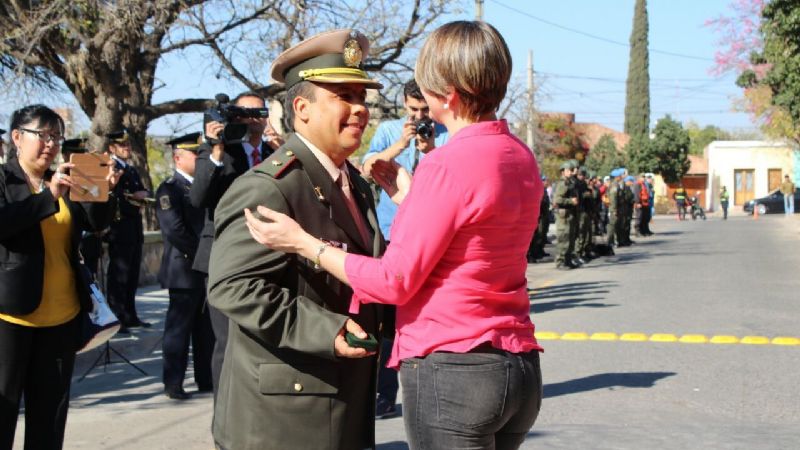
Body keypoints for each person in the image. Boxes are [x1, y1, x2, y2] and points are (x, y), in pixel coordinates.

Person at [245, 21, 544, 450]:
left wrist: (305, 244)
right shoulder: (518, 153)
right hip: (516, 364)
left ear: (449, 96)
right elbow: (476, 231)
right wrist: (412, 197)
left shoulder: (447, 164)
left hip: (455, 367)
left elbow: (394, 280)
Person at [207, 29, 388, 450]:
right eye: (344, 95)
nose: (360, 109)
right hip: (284, 418)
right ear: (302, 108)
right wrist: (327, 330)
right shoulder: (271, 187)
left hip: (341, 400)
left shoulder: (354, 184)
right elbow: (232, 287)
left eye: (362, 97)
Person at [0, 105, 117, 449]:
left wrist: (102, 193)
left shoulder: (66, 179)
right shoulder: (5, 180)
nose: (50, 144)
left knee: (50, 415)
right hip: (11, 315)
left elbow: (96, 226)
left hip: (62, 315)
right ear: (17, 137)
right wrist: (47, 196)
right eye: (43, 135)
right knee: (3, 411)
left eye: (56, 136)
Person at [360, 78, 448, 418]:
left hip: (430, 237)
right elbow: (368, 167)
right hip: (390, 233)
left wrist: (430, 151)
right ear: (404, 107)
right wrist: (399, 145)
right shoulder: (389, 130)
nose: (419, 116)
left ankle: (427, 390)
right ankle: (384, 392)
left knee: (426, 317)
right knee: (387, 321)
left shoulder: (445, 133)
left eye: (424, 109)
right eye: (413, 110)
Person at [190, 90, 282, 393]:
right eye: (244, 113)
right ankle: (225, 418)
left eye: (259, 112)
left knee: (265, 338)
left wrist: (284, 150)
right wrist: (215, 150)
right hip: (223, 259)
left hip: (266, 256)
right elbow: (199, 197)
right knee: (227, 342)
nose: (252, 120)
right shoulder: (219, 151)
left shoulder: (274, 153)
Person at [155, 132, 214, 400]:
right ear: (178, 157)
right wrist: (203, 254)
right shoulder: (169, 188)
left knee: (205, 331)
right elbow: (174, 230)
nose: (200, 159)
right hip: (184, 269)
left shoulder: (203, 186)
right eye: (195, 154)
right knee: (178, 330)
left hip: (204, 268)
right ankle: (173, 382)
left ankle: (206, 378)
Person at [105, 129, 151, 333]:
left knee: (132, 275)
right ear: (112, 148)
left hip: (133, 227)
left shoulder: (130, 170)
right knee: (119, 276)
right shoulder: (110, 169)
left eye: (128, 145)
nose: (127, 149)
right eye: (122, 146)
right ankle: (117, 317)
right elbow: (113, 198)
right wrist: (135, 197)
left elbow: (139, 190)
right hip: (119, 227)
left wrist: (142, 195)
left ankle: (130, 315)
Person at [553, 160, 580, 269]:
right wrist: (570, 201)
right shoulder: (562, 183)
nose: (571, 172)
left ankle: (568, 260)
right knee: (563, 239)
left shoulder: (570, 182)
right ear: (563, 171)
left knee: (570, 239)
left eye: (571, 170)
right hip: (563, 216)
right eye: (568, 170)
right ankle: (560, 261)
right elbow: (557, 199)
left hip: (570, 214)